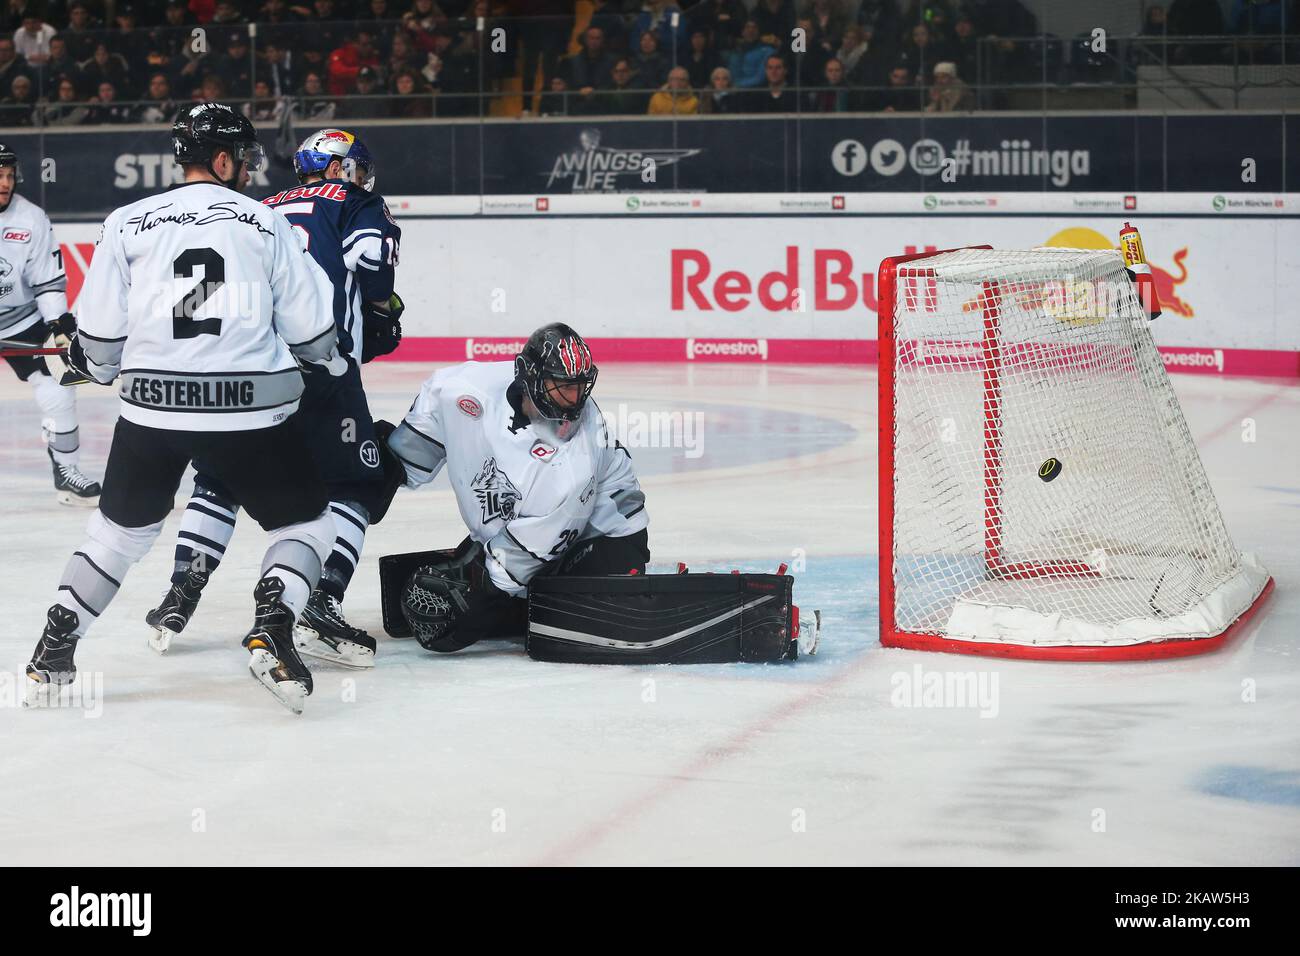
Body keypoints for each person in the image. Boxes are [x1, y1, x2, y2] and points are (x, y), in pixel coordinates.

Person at [24, 103, 344, 714]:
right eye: (243, 158)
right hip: (249, 414)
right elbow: (312, 336)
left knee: (116, 536)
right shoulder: (264, 223)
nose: (248, 170)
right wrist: (323, 360)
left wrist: (87, 360)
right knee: (305, 526)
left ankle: (53, 652)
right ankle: (273, 628)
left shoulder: (127, 222)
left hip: (152, 414)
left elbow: (101, 350)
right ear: (223, 159)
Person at [146, 128, 402, 671]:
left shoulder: (259, 206)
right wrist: (380, 312)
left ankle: (180, 592)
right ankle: (320, 601)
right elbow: (374, 269)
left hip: (255, 369)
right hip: (323, 370)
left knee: (222, 477)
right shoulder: (358, 203)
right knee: (356, 482)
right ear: (339, 168)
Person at [384, 323, 649, 652]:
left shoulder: (572, 465)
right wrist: (383, 467)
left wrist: (478, 597)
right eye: (562, 386)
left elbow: (525, 556)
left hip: (605, 535)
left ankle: (539, 601)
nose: (573, 399)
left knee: (542, 618)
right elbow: (410, 454)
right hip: (533, 522)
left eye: (580, 387)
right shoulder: (462, 387)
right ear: (529, 378)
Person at [0, 142, 100, 505]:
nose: (5, 181)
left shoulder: (31, 219)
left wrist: (58, 324)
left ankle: (66, 468)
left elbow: (47, 281)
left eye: (10, 174)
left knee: (59, 389)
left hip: (22, 321)